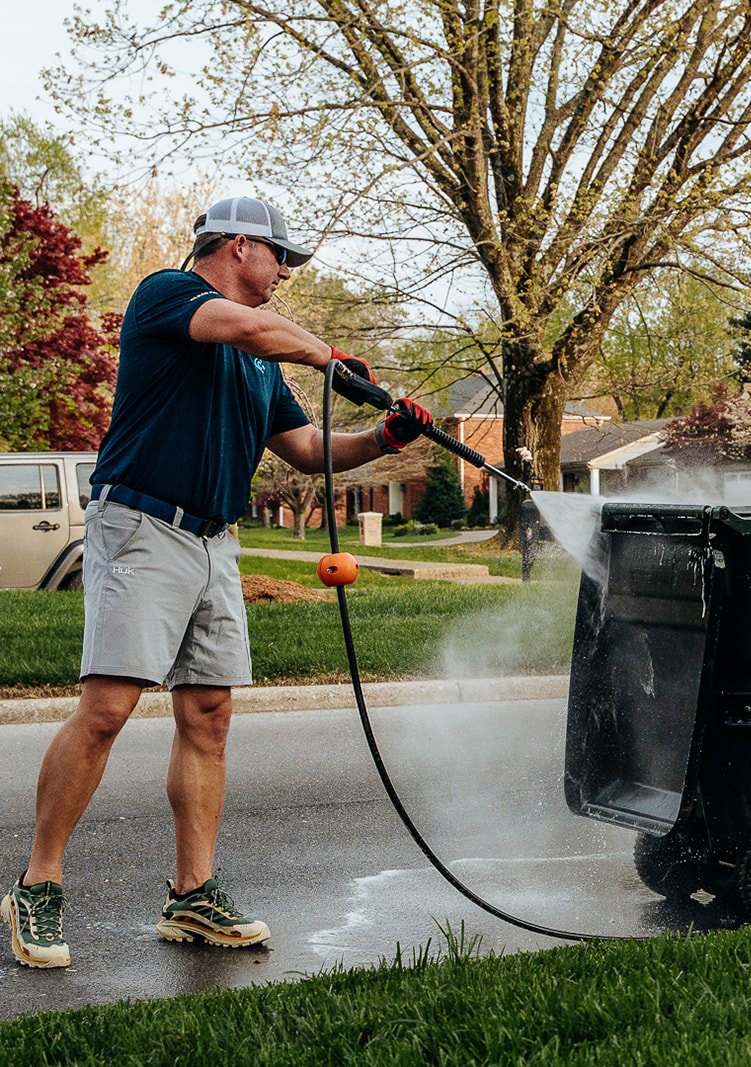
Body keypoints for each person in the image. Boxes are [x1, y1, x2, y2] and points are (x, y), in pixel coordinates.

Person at [1, 196, 433, 969]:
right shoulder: (169, 296)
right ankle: (37, 882)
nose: (285, 275)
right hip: (140, 525)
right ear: (238, 246)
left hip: (213, 540)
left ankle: (191, 893)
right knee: (107, 709)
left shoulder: (259, 363)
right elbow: (248, 325)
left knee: (209, 713)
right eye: (281, 258)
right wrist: (329, 355)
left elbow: (306, 450)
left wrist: (384, 436)